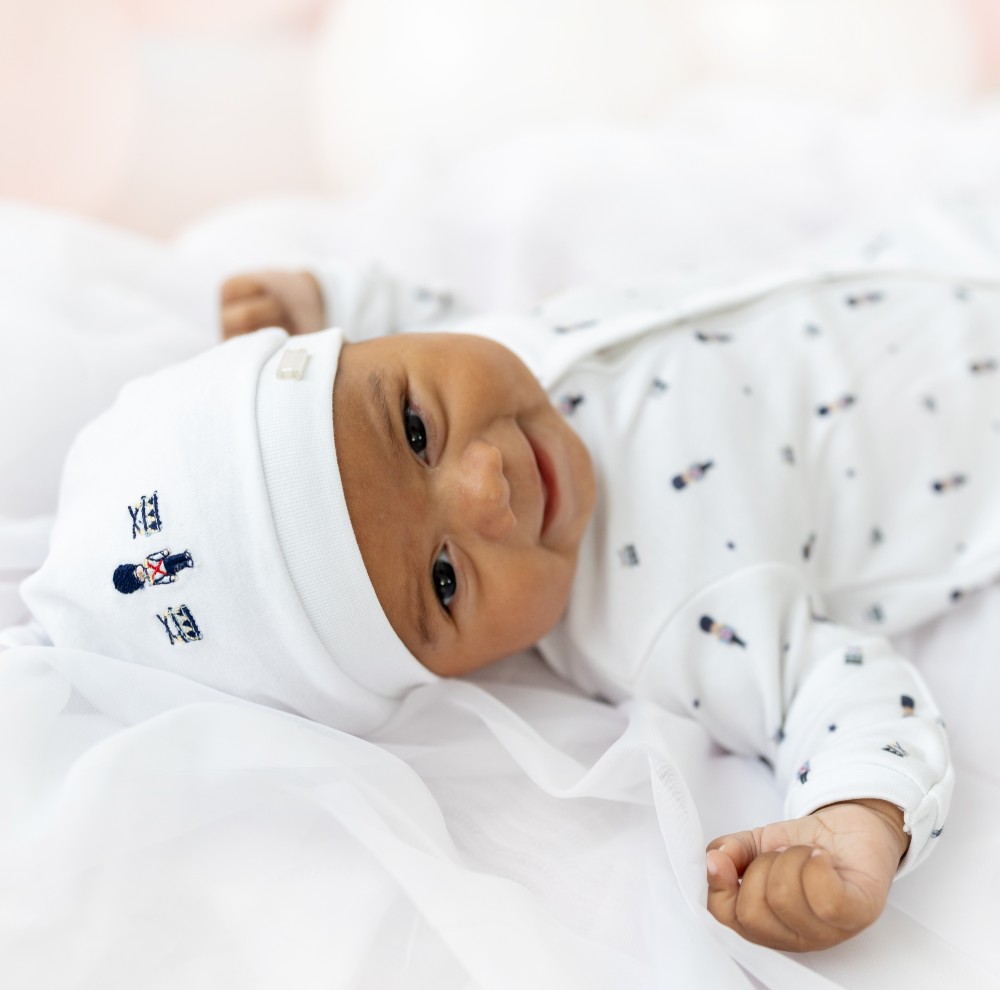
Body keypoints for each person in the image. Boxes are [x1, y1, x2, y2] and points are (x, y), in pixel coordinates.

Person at [25, 254, 993, 954]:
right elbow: (843, 691)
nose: (489, 485)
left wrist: (326, 297)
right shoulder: (663, 618)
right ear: (451, 668)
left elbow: (432, 318)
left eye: (411, 427)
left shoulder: (497, 354)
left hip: (935, 248)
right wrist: (853, 819)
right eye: (443, 581)